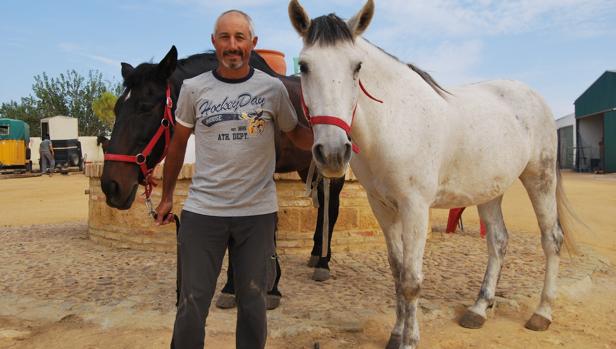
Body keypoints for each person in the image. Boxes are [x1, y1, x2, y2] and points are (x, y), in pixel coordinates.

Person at [154, 9, 313, 349]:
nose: (232, 45)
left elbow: (296, 134)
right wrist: (167, 196)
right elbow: (177, 144)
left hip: (256, 214)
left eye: (240, 37)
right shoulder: (194, 89)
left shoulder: (272, 89)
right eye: (225, 37)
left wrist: (332, 140)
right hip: (203, 213)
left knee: (254, 301)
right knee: (192, 301)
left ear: (252, 44)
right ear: (214, 43)